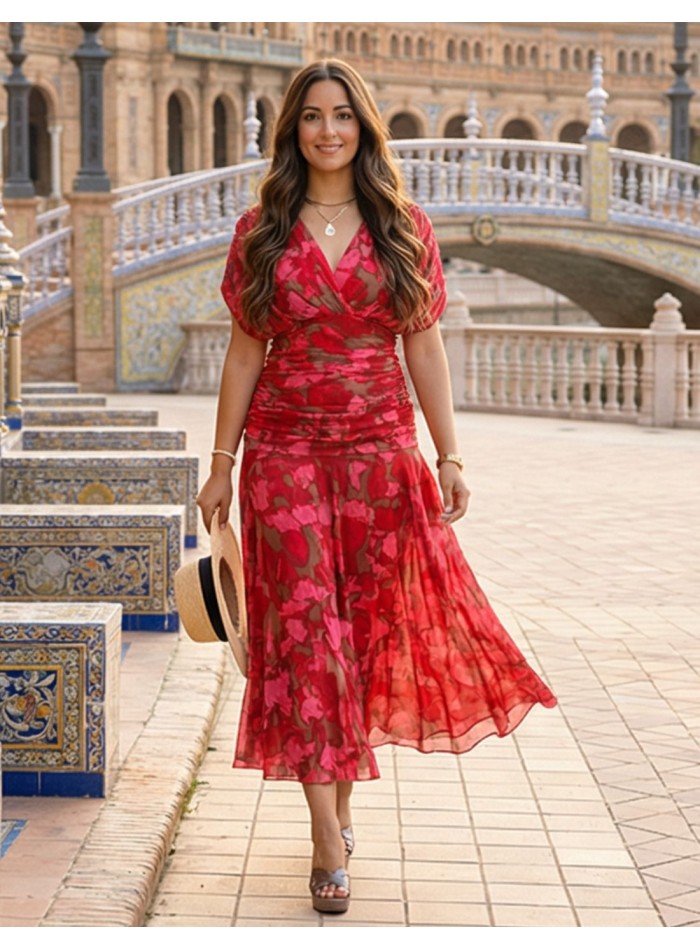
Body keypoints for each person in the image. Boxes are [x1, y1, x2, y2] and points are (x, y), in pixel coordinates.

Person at [196, 58, 557, 915]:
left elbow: (423, 346)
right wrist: (220, 462)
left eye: (343, 116)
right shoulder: (261, 230)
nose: (328, 130)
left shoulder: (402, 224)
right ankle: (327, 838)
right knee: (305, 631)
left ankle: (338, 801)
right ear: (294, 130)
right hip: (283, 451)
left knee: (356, 635)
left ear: (363, 128)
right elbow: (246, 349)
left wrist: (450, 455)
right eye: (313, 116)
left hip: (379, 453)